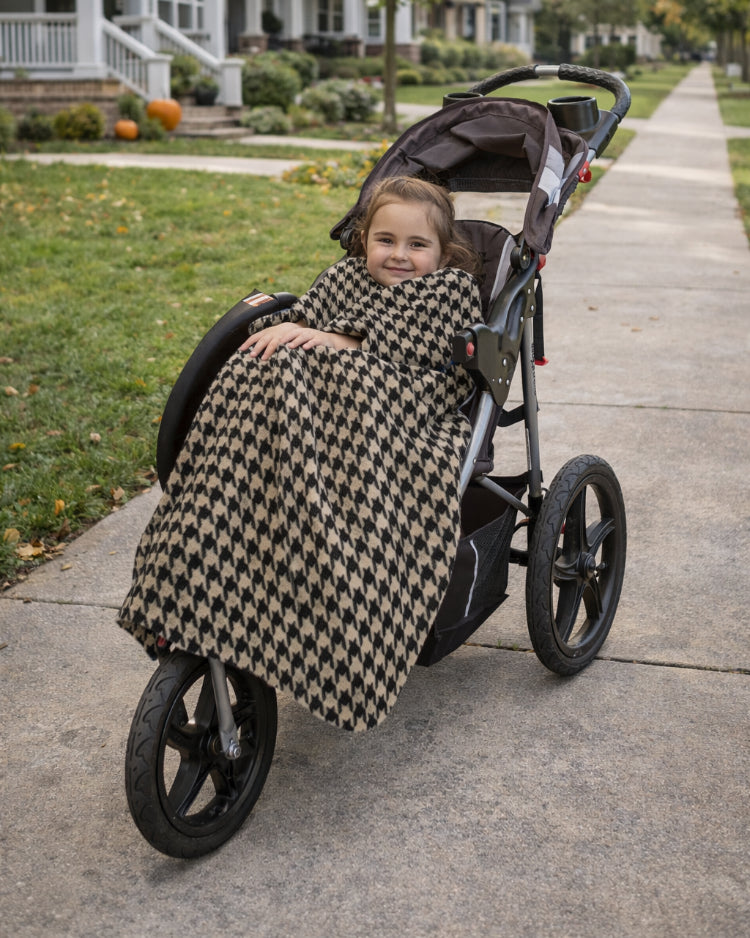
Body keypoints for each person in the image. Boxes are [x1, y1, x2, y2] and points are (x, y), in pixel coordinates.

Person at [119, 176, 484, 732]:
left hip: (406, 402)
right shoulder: (344, 278)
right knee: (264, 361)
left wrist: (350, 340)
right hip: (319, 402)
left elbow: (432, 344)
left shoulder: (449, 289)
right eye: (386, 240)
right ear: (363, 240)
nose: (400, 255)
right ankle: (229, 492)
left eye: (417, 245)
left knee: (308, 363)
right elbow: (304, 321)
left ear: (443, 252)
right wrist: (286, 331)